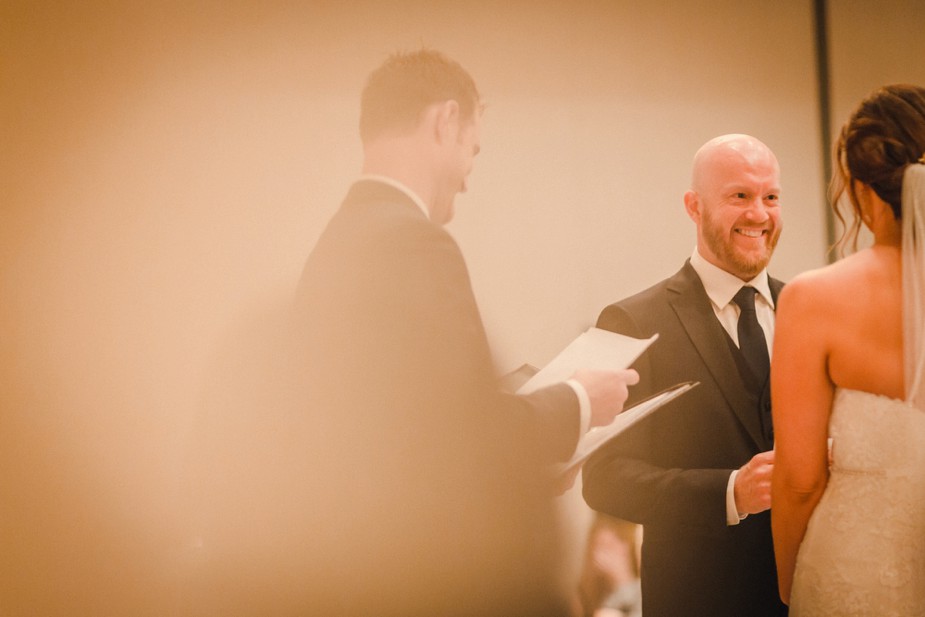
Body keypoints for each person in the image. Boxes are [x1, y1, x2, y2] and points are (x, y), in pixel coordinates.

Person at [217, 48, 635, 616]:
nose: (468, 176)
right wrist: (580, 403)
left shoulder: (340, 238)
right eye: (473, 149)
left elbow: (412, 425)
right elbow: (465, 433)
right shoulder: (415, 243)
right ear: (445, 122)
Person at [582, 134, 788, 616]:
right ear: (694, 207)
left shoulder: (810, 309)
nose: (759, 214)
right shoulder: (634, 321)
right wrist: (729, 492)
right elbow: (606, 478)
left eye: (771, 197)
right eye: (739, 196)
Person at [771, 84, 925, 614]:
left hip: (853, 571)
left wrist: (791, 584)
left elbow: (798, 480)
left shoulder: (814, 299)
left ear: (860, 188)